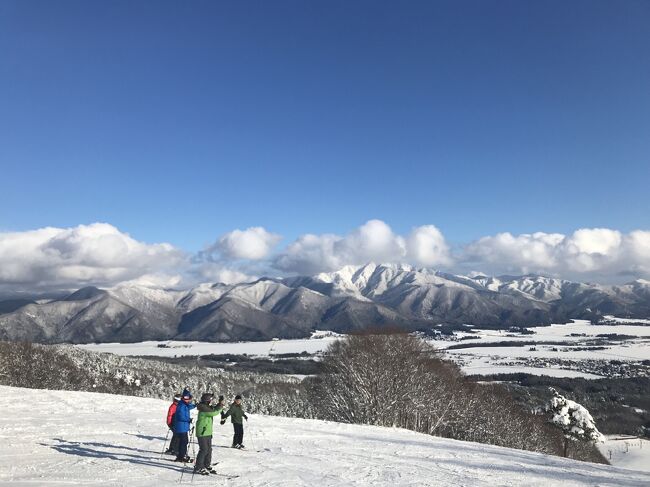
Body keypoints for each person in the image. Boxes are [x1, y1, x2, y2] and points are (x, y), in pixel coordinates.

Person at [193, 393, 225, 476]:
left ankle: (206, 465)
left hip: (207, 432)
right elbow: (214, 412)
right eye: (210, 400)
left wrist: (219, 403)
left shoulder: (206, 407)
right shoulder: (203, 408)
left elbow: (214, 409)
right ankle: (198, 467)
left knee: (209, 449)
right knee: (204, 449)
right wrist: (221, 405)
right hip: (202, 432)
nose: (211, 401)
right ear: (207, 400)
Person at [172, 388, 196, 462]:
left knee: (183, 441)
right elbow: (181, 416)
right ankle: (181, 456)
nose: (189, 401)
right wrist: (189, 420)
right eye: (188, 399)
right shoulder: (182, 405)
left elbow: (189, 406)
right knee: (184, 442)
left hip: (182, 427)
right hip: (181, 427)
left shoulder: (183, 404)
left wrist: (195, 405)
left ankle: (180, 455)